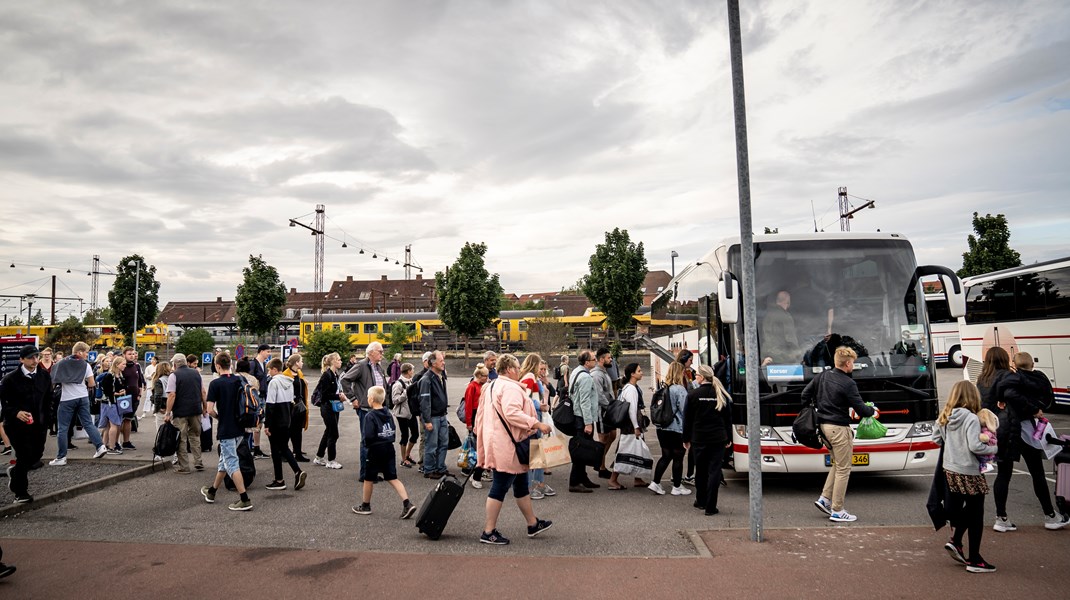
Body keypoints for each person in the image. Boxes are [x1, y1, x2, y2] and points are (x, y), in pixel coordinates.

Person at [473, 353, 553, 545]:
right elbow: (512, 413)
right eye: (517, 368)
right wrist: (536, 424)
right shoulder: (510, 387)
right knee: (499, 487)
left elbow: (481, 416)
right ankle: (488, 531)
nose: (519, 371)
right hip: (508, 446)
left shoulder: (492, 385)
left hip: (500, 442)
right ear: (509, 369)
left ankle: (532, 524)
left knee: (520, 485)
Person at [991, 351, 1069, 531]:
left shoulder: (1013, 379)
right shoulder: (1039, 379)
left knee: (1004, 474)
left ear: (1015, 364)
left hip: (1011, 429)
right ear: (1032, 364)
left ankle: (1001, 516)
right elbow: (1046, 399)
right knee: (1037, 473)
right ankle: (1050, 515)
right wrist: (1035, 409)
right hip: (1029, 429)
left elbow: (1009, 395)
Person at [933, 380, 998, 573]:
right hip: (969, 470)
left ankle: (957, 540)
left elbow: (936, 439)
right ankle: (975, 559)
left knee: (965, 510)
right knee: (976, 514)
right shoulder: (971, 418)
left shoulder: (945, 415)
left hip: (950, 469)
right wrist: (994, 447)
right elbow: (975, 446)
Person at [807, 346, 874, 522]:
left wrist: (817, 409)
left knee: (837, 464)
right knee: (844, 469)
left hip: (823, 427)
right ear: (848, 363)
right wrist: (871, 410)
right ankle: (837, 510)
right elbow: (861, 409)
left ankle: (824, 499)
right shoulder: (848, 383)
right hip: (838, 428)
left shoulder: (822, 376)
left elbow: (804, 394)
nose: (854, 365)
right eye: (853, 362)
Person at [352, 386, 417, 519]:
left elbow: (368, 435)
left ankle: (365, 505)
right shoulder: (388, 413)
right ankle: (407, 503)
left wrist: (367, 445)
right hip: (388, 447)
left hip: (375, 449)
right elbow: (392, 429)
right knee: (392, 477)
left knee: (368, 478)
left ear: (370, 399)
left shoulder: (370, 416)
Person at [198, 352, 253, 511]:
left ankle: (244, 499)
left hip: (226, 429)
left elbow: (209, 410)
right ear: (231, 364)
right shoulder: (239, 380)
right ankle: (212, 491)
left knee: (232, 463)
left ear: (217, 366)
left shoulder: (215, 384)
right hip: (239, 427)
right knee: (224, 460)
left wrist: (220, 417)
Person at [0, 345, 52, 504]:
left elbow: (48, 399)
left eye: (37, 356)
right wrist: (16, 412)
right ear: (21, 359)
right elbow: (4, 404)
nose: (35, 360)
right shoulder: (10, 379)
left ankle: (15, 472)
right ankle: (20, 492)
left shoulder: (44, 376)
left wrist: (48, 420)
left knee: (36, 455)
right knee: (23, 454)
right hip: (16, 425)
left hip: (39, 424)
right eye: (31, 357)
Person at [683, 365, 733, 515]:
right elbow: (727, 419)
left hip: (699, 438)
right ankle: (711, 506)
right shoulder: (720, 394)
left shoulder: (692, 395)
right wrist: (728, 438)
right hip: (718, 438)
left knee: (701, 471)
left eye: (697, 375)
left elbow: (687, 419)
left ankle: (701, 500)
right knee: (714, 471)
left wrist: (686, 438)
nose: (695, 377)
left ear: (702, 377)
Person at [48, 342, 108, 465]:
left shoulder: (61, 363)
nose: (87, 354)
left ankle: (61, 457)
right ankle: (100, 446)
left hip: (67, 398)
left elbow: (53, 379)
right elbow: (91, 383)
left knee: (63, 428)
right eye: (86, 352)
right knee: (88, 423)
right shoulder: (85, 365)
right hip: (82, 397)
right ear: (79, 352)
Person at [341, 341, 388, 482]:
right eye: (380, 351)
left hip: (379, 409)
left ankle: (373, 470)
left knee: (378, 440)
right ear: (371, 352)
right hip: (366, 409)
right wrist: (353, 398)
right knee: (367, 441)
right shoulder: (361, 366)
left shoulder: (378, 367)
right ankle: (366, 474)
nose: (382, 353)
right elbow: (345, 380)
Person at [263, 358, 307, 491]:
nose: (269, 372)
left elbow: (270, 405)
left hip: (275, 420)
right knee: (283, 447)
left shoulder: (273, 382)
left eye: (269, 370)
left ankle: (280, 479)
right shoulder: (289, 381)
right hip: (286, 418)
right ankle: (297, 472)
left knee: (276, 450)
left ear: (275, 369)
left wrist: (267, 424)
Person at [649, 361, 690, 496]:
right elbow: (685, 410)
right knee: (678, 456)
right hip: (676, 428)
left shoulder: (663, 388)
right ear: (680, 373)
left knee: (666, 455)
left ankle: (656, 482)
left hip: (662, 428)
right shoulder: (680, 389)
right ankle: (677, 487)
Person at [607, 363, 648, 490]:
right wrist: (636, 426)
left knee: (635, 450)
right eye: (639, 370)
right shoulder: (631, 389)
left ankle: (638, 477)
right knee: (625, 450)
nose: (642, 373)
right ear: (632, 374)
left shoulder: (628, 387)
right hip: (631, 425)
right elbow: (632, 409)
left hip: (629, 424)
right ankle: (613, 479)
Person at [164, 353, 207, 474]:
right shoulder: (196, 373)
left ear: (175, 364)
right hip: (195, 410)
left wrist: (168, 413)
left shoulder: (174, 375)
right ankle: (198, 462)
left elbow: (172, 395)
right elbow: (203, 391)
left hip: (180, 411)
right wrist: (204, 407)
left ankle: (184, 466)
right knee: (195, 436)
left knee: (181, 439)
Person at [568, 350, 601, 493]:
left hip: (577, 417)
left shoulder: (576, 371)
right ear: (587, 362)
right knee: (581, 451)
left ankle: (583, 478)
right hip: (583, 418)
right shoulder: (586, 378)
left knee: (581, 448)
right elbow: (585, 401)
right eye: (594, 359)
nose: (596, 361)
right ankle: (575, 482)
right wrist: (588, 422)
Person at [518, 354, 549, 499]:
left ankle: (538, 483)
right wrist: (540, 406)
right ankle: (533, 486)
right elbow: (526, 399)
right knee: (536, 454)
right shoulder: (530, 377)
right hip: (534, 418)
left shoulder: (530, 377)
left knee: (536, 453)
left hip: (534, 418)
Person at [419, 350, 450, 478]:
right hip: (433, 417)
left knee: (443, 443)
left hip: (441, 415)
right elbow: (424, 402)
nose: (443, 363)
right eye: (441, 361)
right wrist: (427, 421)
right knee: (431, 445)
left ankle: (440, 467)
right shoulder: (427, 379)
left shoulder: (439, 376)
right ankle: (429, 470)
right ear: (433, 363)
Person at [314, 352, 346, 469]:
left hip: (334, 406)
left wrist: (339, 395)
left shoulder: (335, 375)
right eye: (338, 360)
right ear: (333, 362)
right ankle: (331, 460)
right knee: (334, 433)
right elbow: (324, 395)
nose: (340, 361)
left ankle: (319, 457)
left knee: (328, 431)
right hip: (327, 407)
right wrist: (338, 397)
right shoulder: (326, 376)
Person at [590, 347, 616, 479]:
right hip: (602, 412)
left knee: (612, 435)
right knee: (603, 438)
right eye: (608, 357)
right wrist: (610, 406)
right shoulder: (596, 375)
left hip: (608, 411)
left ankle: (600, 461)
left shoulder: (604, 372)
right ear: (601, 359)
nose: (610, 359)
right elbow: (599, 396)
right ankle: (601, 466)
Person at [462, 364, 489, 488]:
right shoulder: (472, 386)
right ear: (479, 375)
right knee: (475, 446)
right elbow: (468, 406)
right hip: (473, 415)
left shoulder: (482, 385)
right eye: (485, 376)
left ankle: (476, 468)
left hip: (480, 414)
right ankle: (470, 468)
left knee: (477, 445)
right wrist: (469, 423)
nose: (487, 378)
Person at [761, 290, 802, 366]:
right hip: (782, 357)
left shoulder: (767, 315)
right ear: (788, 302)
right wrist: (799, 357)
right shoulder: (785, 316)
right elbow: (790, 339)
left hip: (766, 355)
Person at [390, 363, 419, 469]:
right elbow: (394, 400)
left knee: (415, 434)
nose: (413, 371)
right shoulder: (398, 384)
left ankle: (407, 454)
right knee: (405, 436)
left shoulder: (410, 381)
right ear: (408, 371)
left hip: (411, 412)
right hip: (402, 414)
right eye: (412, 370)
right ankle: (403, 459)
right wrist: (406, 393)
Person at [282, 354, 310, 462]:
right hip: (291, 407)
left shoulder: (299, 373)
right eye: (301, 361)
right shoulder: (286, 375)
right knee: (288, 431)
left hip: (300, 406)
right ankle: (283, 452)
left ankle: (297, 452)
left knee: (298, 431)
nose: (302, 363)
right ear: (296, 363)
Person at [98, 356, 129, 454]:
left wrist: (123, 390)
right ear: (117, 364)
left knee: (108, 426)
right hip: (110, 403)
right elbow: (107, 391)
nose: (125, 366)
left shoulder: (120, 375)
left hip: (115, 403)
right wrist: (118, 393)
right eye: (123, 364)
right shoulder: (110, 376)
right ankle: (112, 447)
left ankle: (104, 446)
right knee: (114, 425)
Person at [247, 345, 272, 459]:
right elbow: (249, 380)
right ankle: (252, 448)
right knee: (255, 423)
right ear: (261, 351)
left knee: (260, 423)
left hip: (263, 396)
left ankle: (256, 448)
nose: (269, 353)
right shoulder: (254, 364)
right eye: (267, 351)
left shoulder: (264, 365)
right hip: (256, 397)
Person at [119, 347, 144, 449]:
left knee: (129, 419)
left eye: (133, 354)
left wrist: (139, 394)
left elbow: (140, 381)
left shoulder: (136, 366)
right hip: (123, 397)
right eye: (129, 354)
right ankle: (115, 442)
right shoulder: (121, 366)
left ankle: (126, 441)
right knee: (119, 420)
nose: (132, 356)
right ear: (124, 355)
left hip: (134, 397)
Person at [149, 361, 172, 431]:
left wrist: (157, 408)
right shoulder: (172, 378)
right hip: (172, 406)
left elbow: (158, 395)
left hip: (163, 406)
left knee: (160, 431)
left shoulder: (159, 381)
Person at [976, 408, 999, 474]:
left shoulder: (987, 430)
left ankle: (984, 466)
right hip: (989, 448)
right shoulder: (990, 429)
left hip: (987, 448)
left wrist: (979, 436)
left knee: (982, 458)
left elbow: (986, 438)